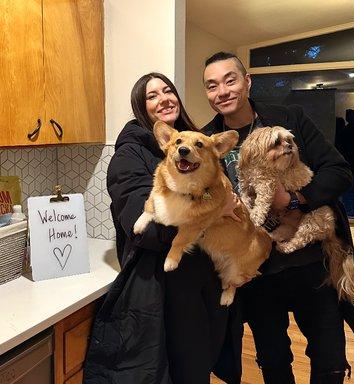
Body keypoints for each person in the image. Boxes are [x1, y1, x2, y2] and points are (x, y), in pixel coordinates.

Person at [201, 52, 354, 384]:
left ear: (247, 82)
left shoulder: (290, 118)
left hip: (310, 264)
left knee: (329, 357)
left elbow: (339, 171)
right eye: (212, 85)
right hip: (258, 272)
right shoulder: (206, 140)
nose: (222, 91)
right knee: (273, 359)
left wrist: (294, 199)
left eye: (230, 80)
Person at [84, 72, 243, 384]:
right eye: (152, 96)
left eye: (168, 91)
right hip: (166, 284)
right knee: (184, 368)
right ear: (141, 108)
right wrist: (211, 214)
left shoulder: (195, 141)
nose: (164, 99)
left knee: (204, 359)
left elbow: (212, 191)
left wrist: (219, 203)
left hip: (207, 271)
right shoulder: (130, 155)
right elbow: (141, 227)